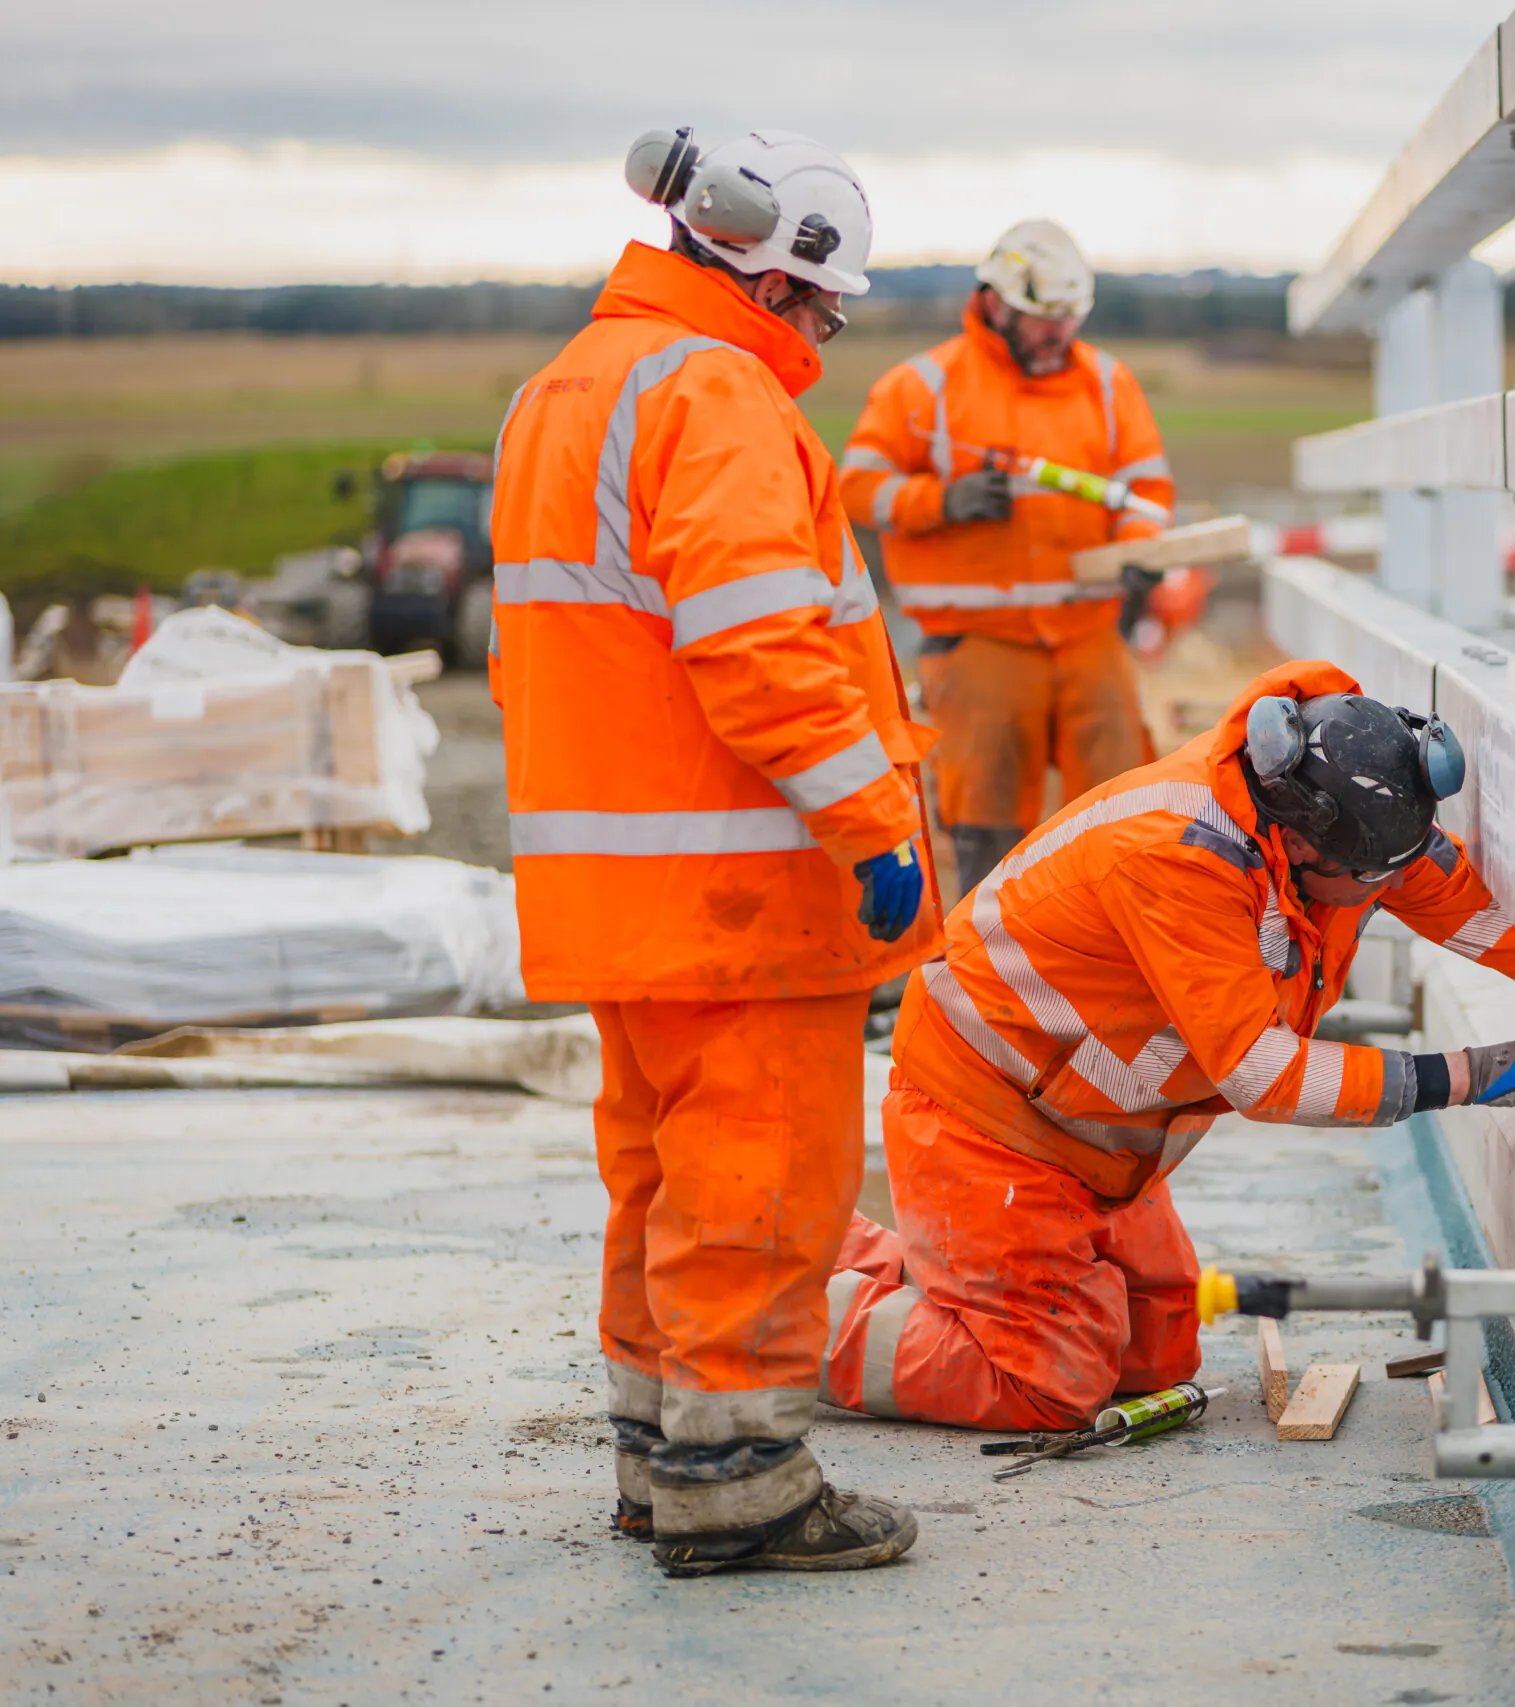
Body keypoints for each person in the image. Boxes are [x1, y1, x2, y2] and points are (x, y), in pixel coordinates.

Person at [489, 126, 939, 1578]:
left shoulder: (559, 391)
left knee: (663, 1181)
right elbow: (757, 645)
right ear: (769, 273)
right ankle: (739, 1489)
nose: (824, 332)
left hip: (627, 892)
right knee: (761, 1184)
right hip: (741, 890)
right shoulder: (716, 394)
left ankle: (661, 1457)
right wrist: (873, 827)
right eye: (821, 305)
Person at [819, 660, 1515, 1431]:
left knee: (1156, 1354)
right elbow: (1266, 1077)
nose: (1383, 892)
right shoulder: (1180, 858)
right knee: (1049, 1380)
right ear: (1298, 842)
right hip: (987, 1121)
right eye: (1369, 880)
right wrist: (1472, 1073)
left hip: (1096, 1138)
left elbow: (1475, 913)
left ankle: (850, 1264)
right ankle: (775, 1317)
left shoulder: (1341, 802)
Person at [838, 218, 1173, 899]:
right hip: (979, 644)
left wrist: (1140, 550)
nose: (1059, 334)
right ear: (993, 302)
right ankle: (980, 977)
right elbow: (858, 488)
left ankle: (1121, 968)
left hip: (1087, 636)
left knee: (1130, 812)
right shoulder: (921, 387)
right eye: (1042, 319)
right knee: (983, 823)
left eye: (1070, 318)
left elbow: (1146, 492)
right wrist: (943, 500)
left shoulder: (1108, 384)